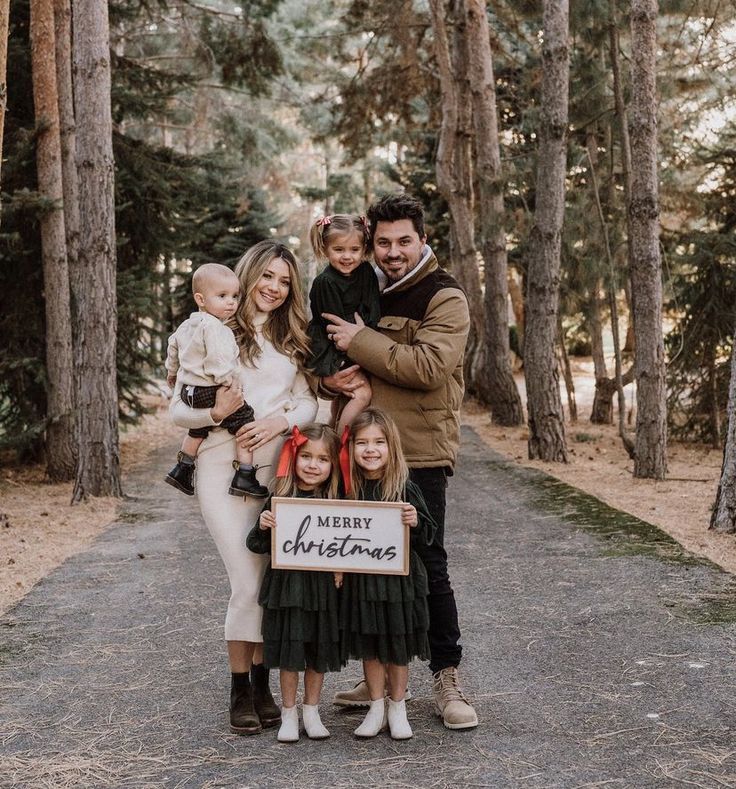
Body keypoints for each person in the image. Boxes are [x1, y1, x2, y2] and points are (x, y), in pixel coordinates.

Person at [323, 192, 479, 730]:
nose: (392, 252)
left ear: (422, 239)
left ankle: (447, 678)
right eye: (383, 242)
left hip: (417, 453)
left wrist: (360, 339)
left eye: (403, 241)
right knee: (366, 563)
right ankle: (377, 678)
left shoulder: (444, 295)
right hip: (363, 449)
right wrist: (329, 377)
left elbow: (429, 366)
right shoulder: (361, 285)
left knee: (426, 561)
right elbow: (331, 353)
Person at [169, 240, 318, 735]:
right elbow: (179, 409)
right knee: (247, 581)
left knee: (268, 582)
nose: (274, 288)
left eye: (284, 281)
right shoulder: (209, 331)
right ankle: (239, 688)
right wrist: (213, 413)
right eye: (267, 277)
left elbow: (310, 404)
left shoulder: (291, 337)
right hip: (219, 464)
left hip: (278, 470)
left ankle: (261, 683)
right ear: (247, 276)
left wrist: (278, 422)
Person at [340, 408, 435, 740]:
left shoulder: (404, 486)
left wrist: (415, 521)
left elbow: (428, 536)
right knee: (370, 645)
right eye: (362, 442)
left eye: (379, 442)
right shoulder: (346, 488)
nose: (370, 449)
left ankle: (398, 706)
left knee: (396, 644)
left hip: (399, 582)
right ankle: (376, 706)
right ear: (350, 448)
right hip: (363, 582)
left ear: (391, 446)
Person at [246, 423, 344, 743]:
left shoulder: (339, 504)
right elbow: (255, 545)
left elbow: (349, 547)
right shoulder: (281, 497)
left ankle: (311, 710)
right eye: (306, 456)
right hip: (287, 588)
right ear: (293, 456)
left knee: (317, 650)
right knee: (290, 652)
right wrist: (263, 526)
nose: (313, 465)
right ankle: (289, 712)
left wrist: (343, 568)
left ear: (333, 465)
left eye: (322, 459)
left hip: (322, 590)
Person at [164, 263, 268, 499]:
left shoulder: (186, 325)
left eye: (234, 296)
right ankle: (245, 475)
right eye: (222, 296)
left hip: (189, 391)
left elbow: (172, 346)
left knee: (198, 427)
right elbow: (218, 360)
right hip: (211, 388)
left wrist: (172, 372)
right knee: (244, 420)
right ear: (200, 299)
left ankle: (183, 467)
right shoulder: (216, 328)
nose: (231, 302)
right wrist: (229, 383)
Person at [307, 214, 379, 432]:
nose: (347, 257)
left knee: (344, 399)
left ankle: (332, 430)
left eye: (354, 250)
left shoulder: (366, 272)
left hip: (360, 337)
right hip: (332, 345)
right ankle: (339, 442)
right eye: (339, 250)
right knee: (361, 393)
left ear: (363, 248)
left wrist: (368, 333)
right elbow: (334, 325)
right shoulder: (325, 282)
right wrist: (359, 342)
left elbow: (373, 305)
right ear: (325, 249)